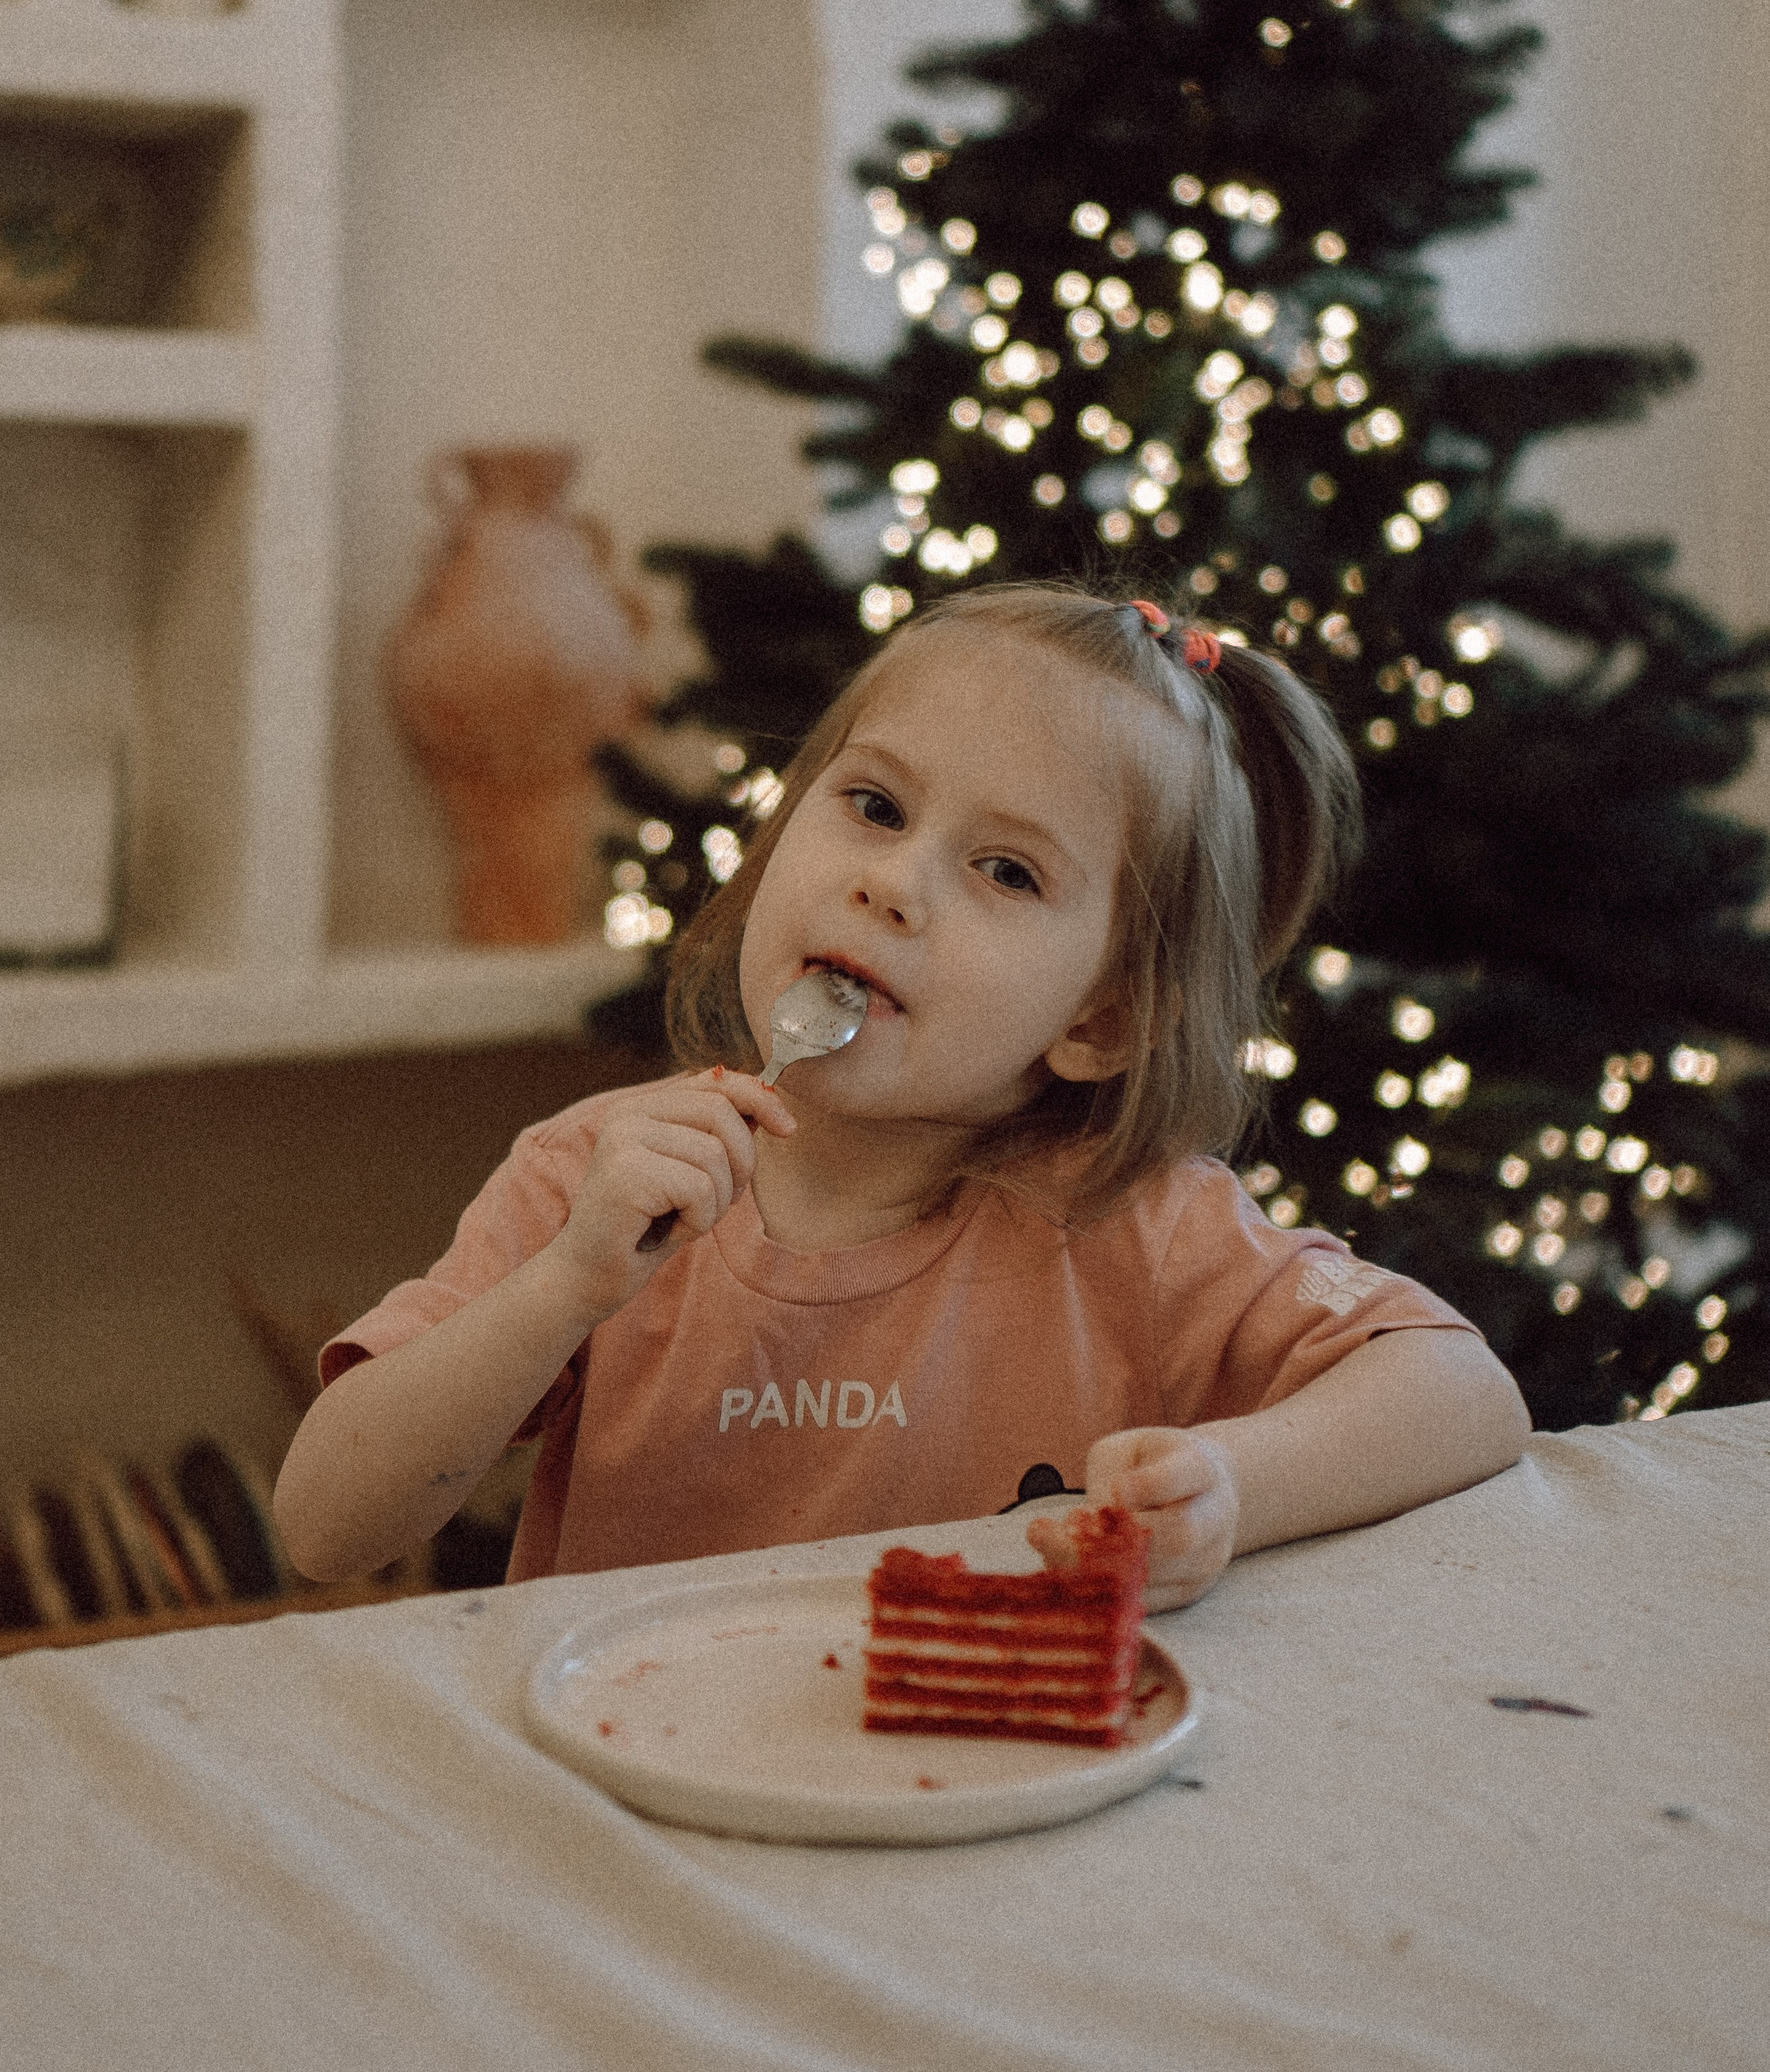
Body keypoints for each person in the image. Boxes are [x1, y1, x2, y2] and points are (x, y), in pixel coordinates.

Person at [275, 585, 1528, 1607]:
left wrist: (1232, 1481)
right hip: (640, 1795)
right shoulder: (591, 1179)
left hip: (980, 1800)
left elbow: (1464, 1392)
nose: (895, 884)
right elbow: (326, 1524)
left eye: (1006, 872)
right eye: (874, 807)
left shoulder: (1131, 1225)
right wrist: (565, 1290)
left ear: (1099, 1022)